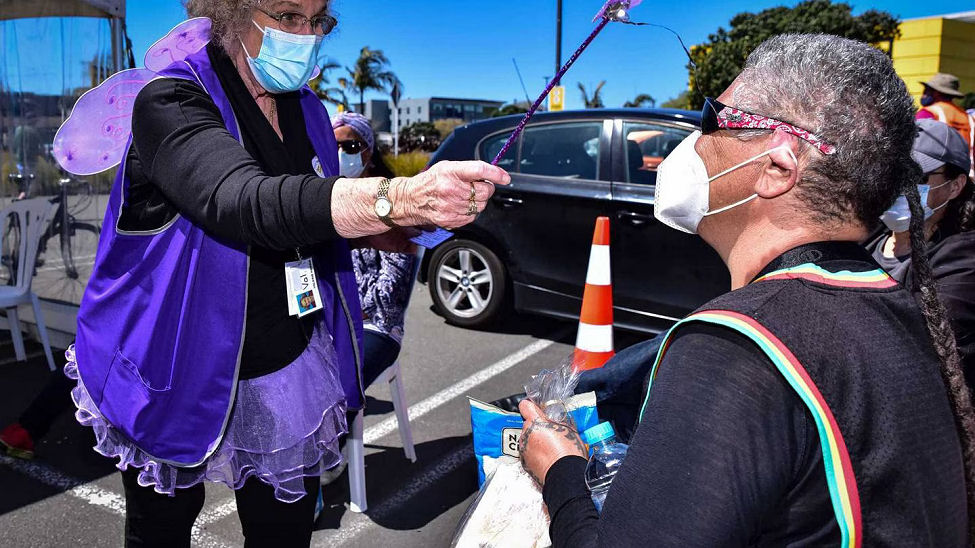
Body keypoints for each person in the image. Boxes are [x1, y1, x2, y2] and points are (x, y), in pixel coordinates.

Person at [61, 1, 509, 547]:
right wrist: (398, 196)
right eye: (287, 15)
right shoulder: (171, 100)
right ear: (229, 12)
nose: (307, 35)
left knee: (284, 530)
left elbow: (309, 212)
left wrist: (384, 229)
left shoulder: (313, 114)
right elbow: (240, 199)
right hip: (173, 357)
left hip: (282, 356)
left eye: (319, 19)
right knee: (161, 528)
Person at [519, 34, 973, 546]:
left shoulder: (737, 350)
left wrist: (560, 473)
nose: (694, 135)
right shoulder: (896, 306)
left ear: (777, 169)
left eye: (716, 117)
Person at [871, 118, 975, 389]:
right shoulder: (864, 238)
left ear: (955, 186)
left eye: (917, 176)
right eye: (892, 173)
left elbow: (917, 343)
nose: (899, 186)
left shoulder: (963, 260)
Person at [332, 112, 417, 388]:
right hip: (327, 322)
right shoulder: (323, 198)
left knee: (332, 389)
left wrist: (348, 311)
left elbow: (391, 294)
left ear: (369, 151)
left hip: (375, 326)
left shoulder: (391, 205)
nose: (340, 153)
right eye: (333, 145)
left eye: (351, 146)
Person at [917, 72, 973, 178]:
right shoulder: (968, 117)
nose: (923, 94)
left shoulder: (928, 113)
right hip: (967, 177)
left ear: (937, 92)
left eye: (927, 90)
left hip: (935, 176)